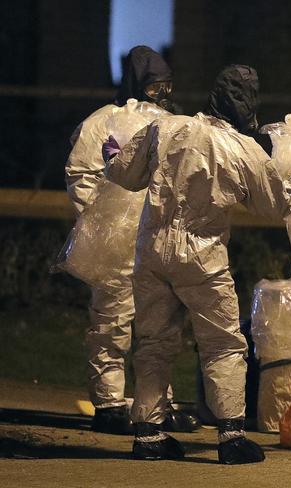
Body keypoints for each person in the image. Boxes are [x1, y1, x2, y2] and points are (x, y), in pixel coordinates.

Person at [103, 64, 291, 463]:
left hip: (151, 248)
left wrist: (112, 154)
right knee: (222, 343)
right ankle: (231, 436)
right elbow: (275, 205)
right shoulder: (243, 149)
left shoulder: (165, 128)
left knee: (153, 341)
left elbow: (124, 174)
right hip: (202, 255)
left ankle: (148, 435)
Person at [65, 45, 198, 435]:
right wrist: (103, 221)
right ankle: (108, 403)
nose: (163, 93)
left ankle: (156, 406)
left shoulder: (171, 123)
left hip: (156, 238)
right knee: (111, 322)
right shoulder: (101, 123)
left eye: (166, 85)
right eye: (156, 86)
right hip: (115, 244)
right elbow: (80, 175)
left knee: (159, 326)